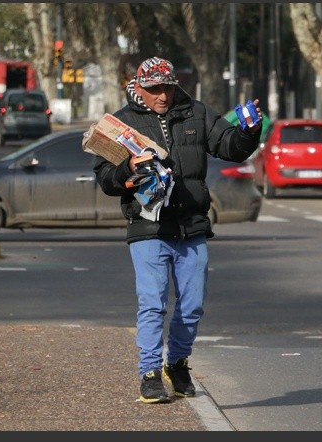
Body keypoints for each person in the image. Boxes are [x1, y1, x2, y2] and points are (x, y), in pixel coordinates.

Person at [92, 56, 263, 404]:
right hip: (148, 227)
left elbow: (230, 147)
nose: (162, 96)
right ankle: (150, 374)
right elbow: (106, 178)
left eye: (167, 88)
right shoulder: (121, 123)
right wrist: (129, 170)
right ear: (138, 87)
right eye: (154, 89)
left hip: (192, 226)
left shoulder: (196, 112)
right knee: (153, 304)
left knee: (192, 305)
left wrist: (249, 131)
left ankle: (177, 363)